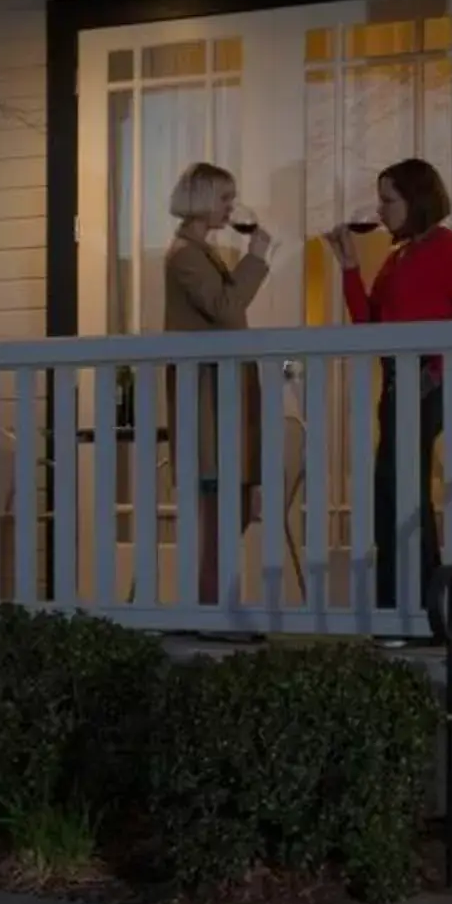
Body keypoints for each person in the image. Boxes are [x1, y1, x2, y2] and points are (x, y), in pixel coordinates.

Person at [325, 157, 452, 641]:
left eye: (389, 199)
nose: (381, 209)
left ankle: (409, 614)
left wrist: (434, 373)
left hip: (425, 385)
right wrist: (350, 268)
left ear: (415, 200)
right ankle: (417, 614)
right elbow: (370, 327)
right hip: (396, 385)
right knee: (392, 494)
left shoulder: (450, 250)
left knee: (400, 493)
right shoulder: (398, 258)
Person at [163, 161, 274, 607]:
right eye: (225, 198)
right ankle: (212, 607)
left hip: (223, 390)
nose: (231, 208)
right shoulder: (185, 255)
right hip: (207, 393)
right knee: (218, 502)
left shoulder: (200, 251)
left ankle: (216, 603)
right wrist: (257, 255)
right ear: (204, 199)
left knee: (233, 501)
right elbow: (226, 308)